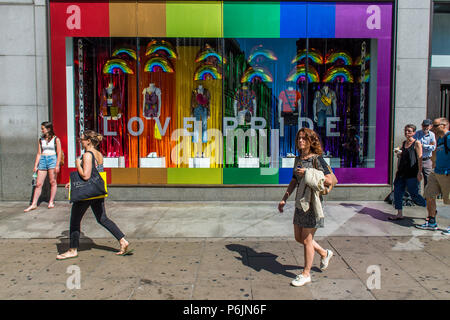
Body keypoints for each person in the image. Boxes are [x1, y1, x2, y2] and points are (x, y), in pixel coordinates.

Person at [56, 130, 131, 260]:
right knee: (103, 219)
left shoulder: (87, 155)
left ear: (88, 141)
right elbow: (96, 174)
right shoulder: (98, 154)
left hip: (86, 194)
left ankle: (72, 249)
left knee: (74, 221)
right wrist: (72, 182)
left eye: (82, 139)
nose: (80, 141)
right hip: (97, 191)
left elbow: (86, 175)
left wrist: (76, 164)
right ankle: (122, 240)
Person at [278, 128, 334, 287]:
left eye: (304, 139)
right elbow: (294, 180)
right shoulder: (298, 159)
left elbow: (329, 179)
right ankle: (324, 253)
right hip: (300, 202)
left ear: (311, 141)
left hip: (312, 203)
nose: (300, 141)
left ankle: (306, 274)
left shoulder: (317, 159)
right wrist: (284, 199)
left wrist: (308, 173)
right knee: (299, 238)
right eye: (299, 139)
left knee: (307, 239)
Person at [416, 118, 450, 231]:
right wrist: (434, 163)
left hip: (447, 173)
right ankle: (431, 221)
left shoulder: (449, 137)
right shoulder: (439, 139)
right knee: (429, 195)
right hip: (436, 172)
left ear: (444, 125)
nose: (432, 128)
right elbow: (435, 153)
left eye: (435, 126)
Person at [389, 124, 426, 220]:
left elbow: (420, 158)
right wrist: (399, 154)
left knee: (414, 195)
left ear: (414, 132)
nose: (406, 133)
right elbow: (402, 157)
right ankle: (399, 213)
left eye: (409, 131)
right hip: (401, 173)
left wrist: (419, 172)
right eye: (405, 130)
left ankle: (430, 209)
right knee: (397, 192)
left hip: (412, 173)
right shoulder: (404, 143)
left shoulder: (417, 143)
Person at [25, 121, 62, 212]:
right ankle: (34, 204)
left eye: (43, 128)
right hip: (43, 160)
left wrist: (57, 164)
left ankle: (51, 201)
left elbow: (59, 152)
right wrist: (35, 165)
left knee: (52, 181)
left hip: (52, 159)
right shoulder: (41, 139)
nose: (42, 130)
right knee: (38, 184)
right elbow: (39, 153)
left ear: (48, 129)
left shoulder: (56, 139)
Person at [413, 119, 436, 187]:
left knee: (428, 180)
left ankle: (427, 197)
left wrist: (422, 146)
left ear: (431, 126)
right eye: (423, 126)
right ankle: (417, 197)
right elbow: (414, 145)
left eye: (427, 126)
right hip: (416, 160)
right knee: (416, 180)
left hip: (427, 160)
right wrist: (428, 146)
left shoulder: (432, 135)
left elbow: (433, 147)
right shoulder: (417, 133)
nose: (425, 127)